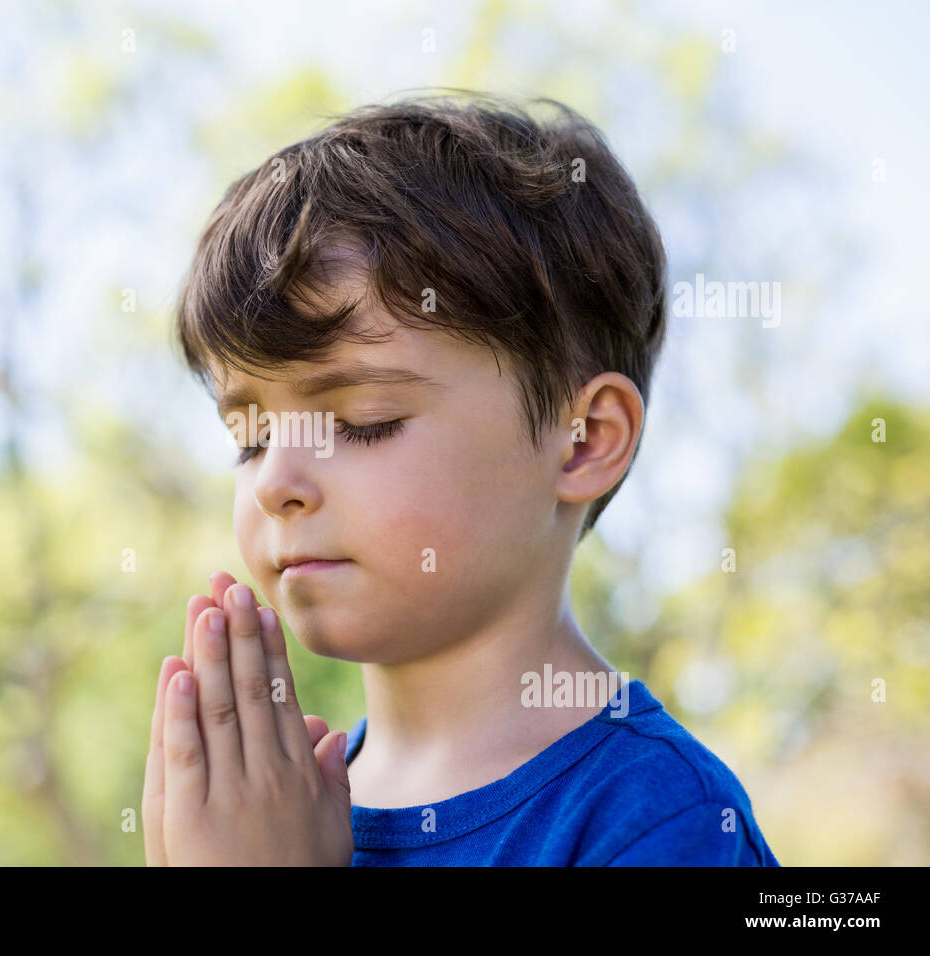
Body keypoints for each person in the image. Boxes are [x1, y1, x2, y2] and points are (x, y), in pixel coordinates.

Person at [142, 92, 779, 866]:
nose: (278, 480)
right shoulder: (269, 815)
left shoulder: (660, 824)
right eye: (250, 436)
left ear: (583, 442)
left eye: (363, 421)